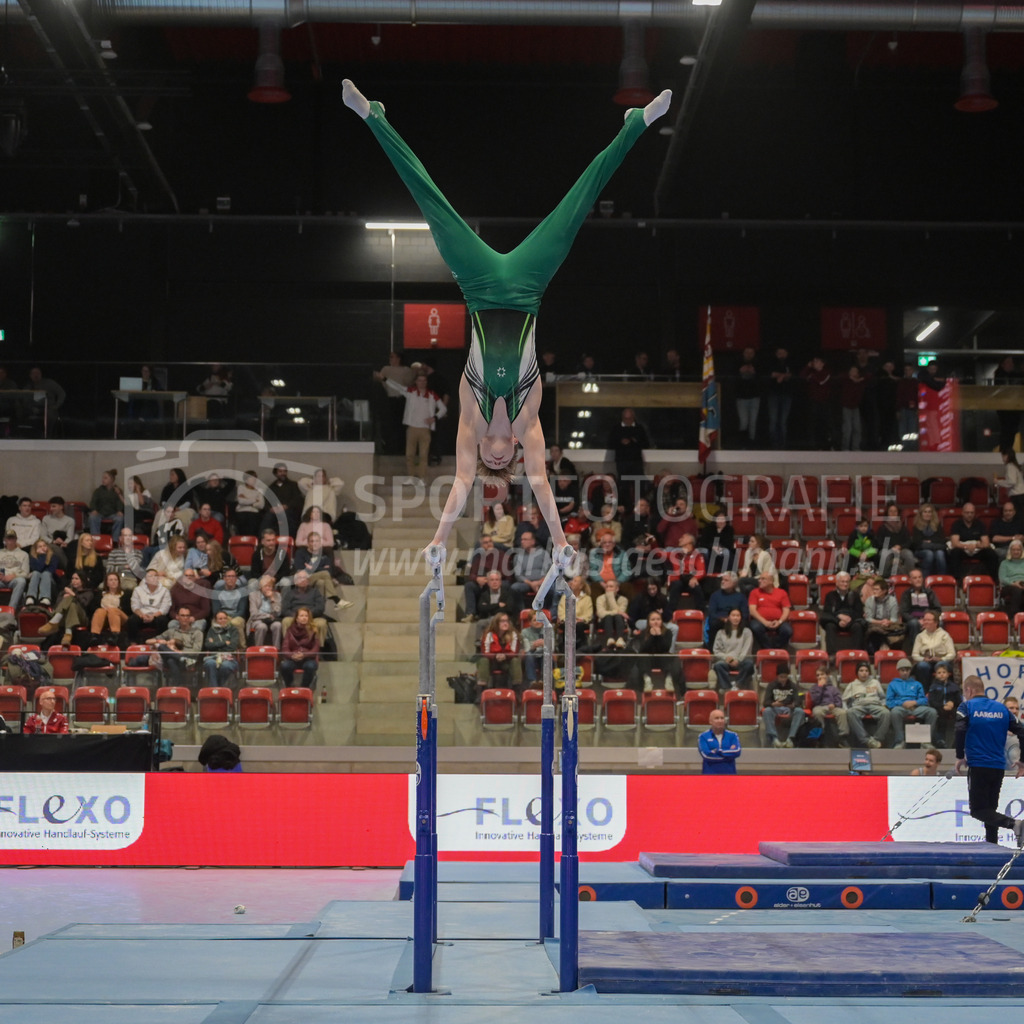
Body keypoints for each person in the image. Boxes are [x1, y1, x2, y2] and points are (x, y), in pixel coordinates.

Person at [343, 78, 670, 565]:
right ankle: (635, 125)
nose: (495, 459)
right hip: (527, 288)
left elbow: (460, 481)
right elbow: (539, 483)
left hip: (476, 288)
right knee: (578, 204)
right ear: (512, 451)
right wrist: (560, 542)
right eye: (502, 462)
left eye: (489, 463)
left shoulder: (471, 419)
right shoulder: (529, 422)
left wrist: (438, 539)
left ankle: (374, 116)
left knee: (431, 202)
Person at [955, 674, 1024, 845]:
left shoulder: (966, 707)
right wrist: (1023, 761)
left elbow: (959, 729)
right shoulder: (1002, 710)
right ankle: (992, 845)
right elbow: (1022, 731)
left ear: (969, 690)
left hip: (978, 765)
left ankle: (1015, 824)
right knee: (990, 810)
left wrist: (959, 756)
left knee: (978, 810)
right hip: (997, 767)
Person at [375, 370, 447, 481]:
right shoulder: (411, 392)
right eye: (419, 380)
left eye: (424, 380)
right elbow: (397, 386)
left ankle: (421, 477)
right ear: (416, 382)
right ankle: (411, 476)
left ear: (426, 382)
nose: (422, 383)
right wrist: (384, 379)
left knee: (423, 455)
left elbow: (443, 408)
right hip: (412, 428)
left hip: (425, 429)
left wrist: (434, 418)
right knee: (410, 455)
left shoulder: (432, 395)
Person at [886, 657, 939, 749]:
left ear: (910, 671)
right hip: (901, 708)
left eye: (907, 670)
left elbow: (924, 700)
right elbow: (889, 702)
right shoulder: (893, 684)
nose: (905, 672)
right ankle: (900, 741)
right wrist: (902, 703)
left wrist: (915, 702)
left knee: (932, 712)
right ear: (898, 671)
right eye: (902, 670)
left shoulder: (917, 684)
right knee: (895, 712)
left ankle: (926, 741)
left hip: (916, 708)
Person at [146, 606, 203, 685]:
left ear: (190, 618)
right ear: (177, 617)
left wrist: (180, 652)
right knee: (161, 646)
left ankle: (177, 686)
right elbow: (148, 641)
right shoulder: (171, 631)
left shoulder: (197, 633)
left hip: (189, 661)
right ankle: (179, 686)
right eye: (182, 615)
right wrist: (157, 645)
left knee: (171, 660)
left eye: (187, 616)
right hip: (178, 659)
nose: (185, 618)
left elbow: (196, 651)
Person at [629, 608, 678, 694]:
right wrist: (651, 636)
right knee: (643, 656)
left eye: (658, 619)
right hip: (649, 659)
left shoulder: (668, 632)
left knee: (668, 655)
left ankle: (669, 680)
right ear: (649, 622)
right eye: (653, 620)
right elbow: (643, 649)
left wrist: (659, 636)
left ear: (661, 621)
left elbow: (665, 648)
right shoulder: (644, 633)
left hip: (662, 658)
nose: (655, 622)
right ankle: (647, 680)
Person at [947, 502, 999, 582]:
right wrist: (967, 546)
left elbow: (986, 543)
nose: (969, 515)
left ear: (974, 513)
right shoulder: (957, 524)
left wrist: (976, 546)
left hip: (977, 549)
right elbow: (954, 543)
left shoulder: (980, 524)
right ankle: (956, 581)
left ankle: (992, 581)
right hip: (963, 550)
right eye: (967, 513)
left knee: (991, 553)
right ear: (962, 513)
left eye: (972, 513)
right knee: (955, 552)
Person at [845, 660, 891, 749]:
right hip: (859, 706)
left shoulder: (875, 682)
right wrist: (846, 708)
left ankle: (876, 740)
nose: (864, 673)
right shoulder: (852, 685)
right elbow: (844, 700)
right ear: (857, 672)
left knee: (886, 713)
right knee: (850, 712)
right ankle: (867, 740)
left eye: (866, 671)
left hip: (875, 705)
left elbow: (882, 697)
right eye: (861, 671)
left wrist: (884, 704)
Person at [819, 570, 865, 656]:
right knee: (829, 625)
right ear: (837, 583)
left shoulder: (855, 595)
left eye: (847, 582)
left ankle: (857, 654)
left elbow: (859, 612)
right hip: (836, 621)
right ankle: (831, 655)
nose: (845, 584)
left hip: (851, 621)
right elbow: (827, 612)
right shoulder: (830, 595)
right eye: (842, 581)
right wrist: (838, 619)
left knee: (858, 626)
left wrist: (848, 619)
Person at [761, 665, 804, 749]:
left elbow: (798, 701)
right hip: (775, 708)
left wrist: (793, 705)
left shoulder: (793, 686)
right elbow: (766, 702)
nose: (783, 679)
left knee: (800, 711)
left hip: (789, 708)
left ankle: (791, 738)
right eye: (781, 677)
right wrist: (773, 704)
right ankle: (774, 738)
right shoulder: (771, 685)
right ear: (777, 676)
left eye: (785, 677)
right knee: (767, 711)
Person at [712, 607, 754, 691]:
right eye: (733, 615)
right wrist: (728, 659)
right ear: (728, 617)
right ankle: (727, 688)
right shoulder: (721, 633)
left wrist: (738, 660)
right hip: (727, 661)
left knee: (749, 664)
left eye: (738, 615)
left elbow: (746, 649)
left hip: (741, 661)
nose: (736, 618)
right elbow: (716, 650)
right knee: (718, 665)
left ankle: (738, 685)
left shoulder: (747, 632)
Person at [748, 571, 792, 651]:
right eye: (759, 579)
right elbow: (752, 610)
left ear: (771, 581)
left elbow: (786, 609)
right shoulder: (754, 592)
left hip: (778, 621)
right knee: (755, 627)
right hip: (760, 621)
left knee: (787, 630)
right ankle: (768, 649)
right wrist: (765, 622)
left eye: (763, 579)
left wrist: (780, 621)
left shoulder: (781, 593)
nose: (759, 581)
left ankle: (775, 647)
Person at [126, 568, 172, 642]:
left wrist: (153, 616)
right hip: (142, 615)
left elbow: (165, 608)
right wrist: (142, 615)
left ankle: (160, 643)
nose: (154, 578)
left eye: (156, 576)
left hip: (156, 616)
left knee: (163, 620)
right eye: (150, 576)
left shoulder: (165, 591)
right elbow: (135, 606)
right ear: (145, 579)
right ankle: (133, 644)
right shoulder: (138, 590)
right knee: (132, 620)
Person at [910, 611, 955, 688]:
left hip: (941, 659)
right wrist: (923, 659)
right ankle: (925, 691)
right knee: (922, 666)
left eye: (929, 620)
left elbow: (952, 653)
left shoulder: (944, 635)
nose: (926, 622)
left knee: (940, 666)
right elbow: (914, 654)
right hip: (926, 660)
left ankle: (941, 690)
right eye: (924, 620)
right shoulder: (920, 636)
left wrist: (942, 658)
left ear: (936, 622)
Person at [898, 567, 943, 644]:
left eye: (919, 577)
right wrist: (918, 621)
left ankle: (936, 647)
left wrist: (927, 620)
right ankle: (917, 649)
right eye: (915, 578)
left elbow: (937, 609)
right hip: (913, 620)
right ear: (910, 580)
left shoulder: (929, 593)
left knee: (940, 622)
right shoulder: (906, 594)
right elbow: (903, 612)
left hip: (928, 617)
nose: (918, 580)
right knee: (914, 623)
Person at [478, 611, 521, 689]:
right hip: (492, 662)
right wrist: (495, 656)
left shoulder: (513, 634)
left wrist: (505, 656)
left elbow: (515, 652)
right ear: (496, 623)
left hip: (507, 662)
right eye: (502, 621)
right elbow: (485, 652)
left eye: (507, 621)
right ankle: (481, 689)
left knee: (515, 660)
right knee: (483, 660)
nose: (506, 623)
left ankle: (517, 689)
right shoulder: (488, 634)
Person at [863, 577, 906, 655]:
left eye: (877, 589)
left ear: (884, 591)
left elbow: (894, 618)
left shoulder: (892, 600)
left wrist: (888, 622)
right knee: (873, 630)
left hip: (889, 624)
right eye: (873, 589)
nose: (874, 591)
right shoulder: (869, 600)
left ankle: (884, 646)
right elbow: (868, 618)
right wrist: (880, 622)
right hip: (875, 624)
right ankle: (883, 644)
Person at [808, 666, 850, 746]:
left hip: (832, 707)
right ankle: (820, 735)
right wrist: (820, 688)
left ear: (827, 675)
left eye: (822, 674)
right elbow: (815, 701)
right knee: (817, 712)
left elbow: (839, 701)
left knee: (842, 713)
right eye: (818, 675)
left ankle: (842, 737)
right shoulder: (814, 688)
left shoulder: (833, 688)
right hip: (820, 706)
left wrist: (834, 705)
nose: (820, 677)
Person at [874, 503, 915, 576]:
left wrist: (900, 547)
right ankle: (884, 577)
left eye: (895, 511)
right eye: (891, 511)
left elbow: (909, 541)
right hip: (887, 549)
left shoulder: (903, 527)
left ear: (898, 513)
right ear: (887, 513)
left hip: (901, 549)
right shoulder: (883, 527)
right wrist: (891, 547)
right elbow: (879, 542)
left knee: (909, 554)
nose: (893, 513)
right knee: (884, 554)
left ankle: (911, 576)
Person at [927, 661, 961, 747]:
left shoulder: (954, 686)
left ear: (948, 674)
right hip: (939, 708)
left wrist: (952, 703)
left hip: (952, 708)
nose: (941, 674)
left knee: (959, 716)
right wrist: (942, 706)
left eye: (943, 672)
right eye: (939, 673)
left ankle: (957, 739)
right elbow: (931, 700)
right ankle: (940, 740)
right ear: (935, 675)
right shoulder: (933, 686)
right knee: (940, 719)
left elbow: (958, 699)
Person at [699, 708, 741, 775]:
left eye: (722, 718)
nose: (720, 721)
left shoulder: (733, 735)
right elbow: (706, 756)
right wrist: (728, 756)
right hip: (709, 776)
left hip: (730, 776)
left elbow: (737, 752)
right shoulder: (703, 736)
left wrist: (717, 751)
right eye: (716, 718)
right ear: (710, 721)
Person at [910, 503, 947, 576]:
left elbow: (942, 542)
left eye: (929, 512)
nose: (927, 514)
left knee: (940, 554)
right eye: (925, 512)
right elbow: (917, 544)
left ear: (932, 514)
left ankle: (942, 578)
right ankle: (925, 578)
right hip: (920, 551)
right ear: (921, 514)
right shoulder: (916, 526)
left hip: (936, 550)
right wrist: (933, 542)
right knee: (929, 554)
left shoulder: (937, 525)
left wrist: (928, 543)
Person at [90, 572, 129, 639]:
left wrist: (116, 609)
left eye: (115, 580)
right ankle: (95, 636)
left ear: (118, 582)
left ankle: (115, 636)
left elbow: (129, 609)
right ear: (107, 583)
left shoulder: (126, 594)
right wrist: (105, 609)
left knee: (113, 610)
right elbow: (92, 608)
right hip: (104, 618)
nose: (113, 582)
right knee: (100, 610)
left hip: (121, 618)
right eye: (111, 580)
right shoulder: (100, 594)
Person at [87, 469, 125, 537]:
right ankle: (96, 538)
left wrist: (119, 510)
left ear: (111, 480)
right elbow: (93, 502)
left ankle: (115, 540)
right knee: (92, 517)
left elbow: (119, 502)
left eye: (105, 478)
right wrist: (94, 509)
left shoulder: (117, 491)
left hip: (113, 514)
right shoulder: (98, 491)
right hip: (100, 513)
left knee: (120, 519)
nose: (103, 480)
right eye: (103, 478)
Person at [248, 576, 283, 647]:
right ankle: (258, 650)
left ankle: (276, 651)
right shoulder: (253, 595)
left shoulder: (277, 595)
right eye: (265, 586)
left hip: (272, 620)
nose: (268, 588)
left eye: (270, 586)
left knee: (278, 625)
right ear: (261, 587)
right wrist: (267, 616)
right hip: (258, 620)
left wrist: (272, 599)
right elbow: (254, 614)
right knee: (262, 626)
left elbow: (278, 613)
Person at [596, 579, 630, 649]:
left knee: (618, 616)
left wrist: (610, 598)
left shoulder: (623, 600)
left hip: (619, 622)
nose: (608, 589)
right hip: (604, 622)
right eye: (607, 587)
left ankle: (620, 639)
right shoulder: (600, 598)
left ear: (617, 589)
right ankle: (610, 639)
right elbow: (601, 613)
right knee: (608, 617)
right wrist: (617, 612)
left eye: (611, 587)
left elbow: (621, 613)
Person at [0, 529, 29, 609]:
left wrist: (14, 576)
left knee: (21, 581)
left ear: (16, 540)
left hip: (15, 579)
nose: (10, 541)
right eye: (8, 538)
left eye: (12, 538)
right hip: (1, 579)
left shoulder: (23, 554)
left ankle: (11, 609)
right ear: (4, 540)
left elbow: (26, 573)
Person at [25, 539, 59, 607]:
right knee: (35, 573)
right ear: (36, 549)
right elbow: (37, 568)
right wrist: (42, 556)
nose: (42, 548)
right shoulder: (33, 558)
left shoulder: (53, 557)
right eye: (40, 546)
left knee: (45, 573)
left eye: (44, 545)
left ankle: (45, 598)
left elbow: (51, 570)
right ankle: (31, 597)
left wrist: (43, 556)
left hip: (50, 581)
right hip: (36, 579)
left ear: (47, 547)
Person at [233, 470, 266, 539]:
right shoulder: (241, 487)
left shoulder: (259, 490)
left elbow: (261, 505)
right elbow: (241, 501)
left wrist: (248, 500)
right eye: (251, 478)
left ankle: (252, 540)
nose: (253, 480)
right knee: (242, 519)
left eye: (255, 478)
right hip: (241, 511)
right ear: (246, 480)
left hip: (254, 512)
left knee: (253, 520)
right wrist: (255, 500)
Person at [995, 448, 1024, 515]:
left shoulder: (1010, 466)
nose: (1002, 458)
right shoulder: (1015, 466)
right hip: (1021, 494)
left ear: (1007, 456)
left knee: (1017, 516)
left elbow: (1012, 482)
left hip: (1016, 495)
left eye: (1003, 456)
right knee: (1020, 515)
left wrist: (998, 482)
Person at [1000, 539, 1024, 618]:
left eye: (1018, 550)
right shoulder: (1004, 563)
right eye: (1014, 550)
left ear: (1021, 551)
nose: (1016, 552)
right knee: (1017, 590)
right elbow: (1002, 578)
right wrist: (1014, 583)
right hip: (1008, 586)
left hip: (1022, 583)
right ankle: (1014, 616)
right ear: (1010, 551)